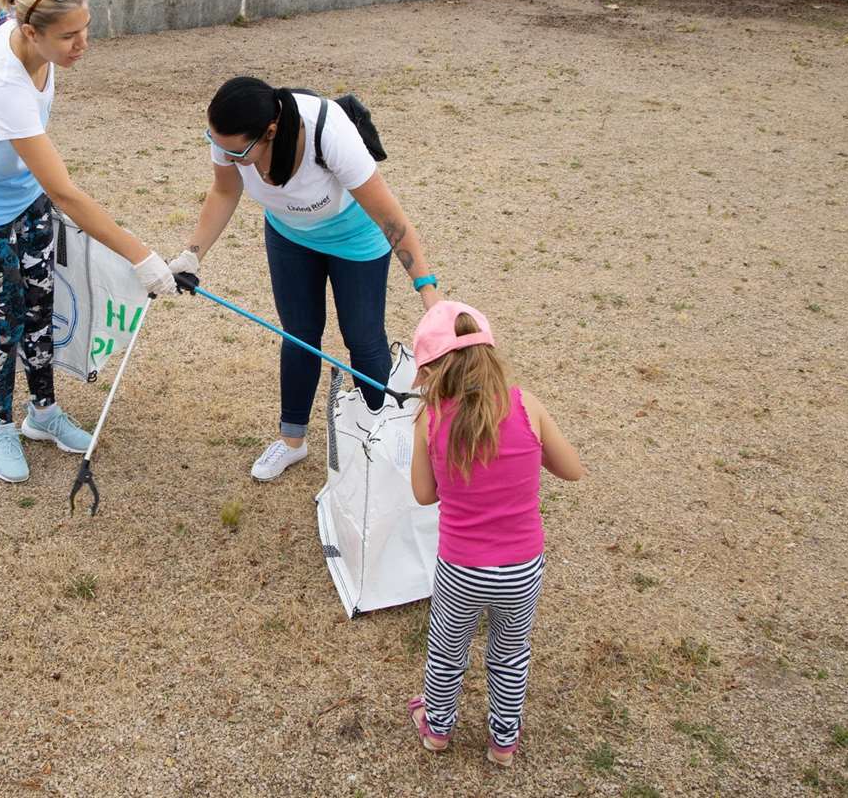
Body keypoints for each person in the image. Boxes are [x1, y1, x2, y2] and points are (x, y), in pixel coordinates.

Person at [0, 0, 175, 484]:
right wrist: (140, 254)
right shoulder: (2, 83)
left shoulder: (29, 32)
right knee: (7, 321)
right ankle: (1, 426)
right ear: (30, 32)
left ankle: (42, 413)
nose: (82, 44)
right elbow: (65, 192)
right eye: (69, 36)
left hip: (24, 198)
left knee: (42, 305)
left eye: (85, 29)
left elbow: (44, 185)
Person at [170, 77, 442, 481]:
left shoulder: (328, 133)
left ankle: (382, 440)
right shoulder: (229, 138)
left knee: (363, 340)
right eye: (218, 144)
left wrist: (428, 292)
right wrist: (191, 254)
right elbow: (224, 192)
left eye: (237, 151)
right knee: (299, 335)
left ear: (271, 131)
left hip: (355, 239)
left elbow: (391, 220)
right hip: (289, 236)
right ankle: (292, 441)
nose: (227, 156)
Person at [406, 301, 584, 766]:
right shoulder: (527, 404)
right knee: (510, 654)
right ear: (489, 355)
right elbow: (572, 470)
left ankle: (437, 729)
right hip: (522, 568)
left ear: (431, 368)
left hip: (460, 568)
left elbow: (424, 495)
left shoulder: (431, 420)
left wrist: (426, 436)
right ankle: (503, 742)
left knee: (447, 652)